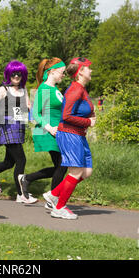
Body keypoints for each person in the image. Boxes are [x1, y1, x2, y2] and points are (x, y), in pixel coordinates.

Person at [47, 57, 96, 220]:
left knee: (86, 171)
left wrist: (90, 115)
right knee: (75, 172)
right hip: (69, 134)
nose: (91, 70)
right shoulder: (76, 89)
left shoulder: (81, 88)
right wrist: (89, 121)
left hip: (78, 135)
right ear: (80, 71)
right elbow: (66, 116)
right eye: (88, 68)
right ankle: (59, 207)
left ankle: (54, 195)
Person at [17, 58, 68, 206]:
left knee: (61, 166)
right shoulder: (44, 89)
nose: (63, 76)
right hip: (47, 131)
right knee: (62, 165)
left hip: (58, 131)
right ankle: (53, 199)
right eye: (62, 72)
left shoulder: (54, 90)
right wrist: (50, 127)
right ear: (51, 71)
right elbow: (36, 114)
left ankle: (28, 179)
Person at [0, 60, 33, 204]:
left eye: (19, 74)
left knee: (8, 163)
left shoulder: (23, 90)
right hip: (7, 128)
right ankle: (21, 194)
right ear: (8, 75)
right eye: (13, 74)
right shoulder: (3, 90)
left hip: (19, 128)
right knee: (21, 160)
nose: (16, 76)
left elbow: (29, 106)